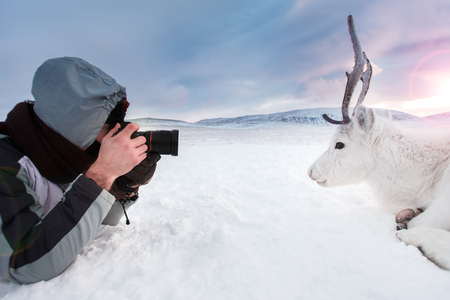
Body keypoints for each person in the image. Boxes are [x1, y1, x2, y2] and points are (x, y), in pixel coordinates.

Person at [0, 57, 160, 284]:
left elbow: (93, 227)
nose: (109, 138)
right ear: (75, 126)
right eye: (105, 128)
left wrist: (123, 186)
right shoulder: (7, 165)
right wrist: (100, 175)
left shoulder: (59, 154)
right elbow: (23, 264)